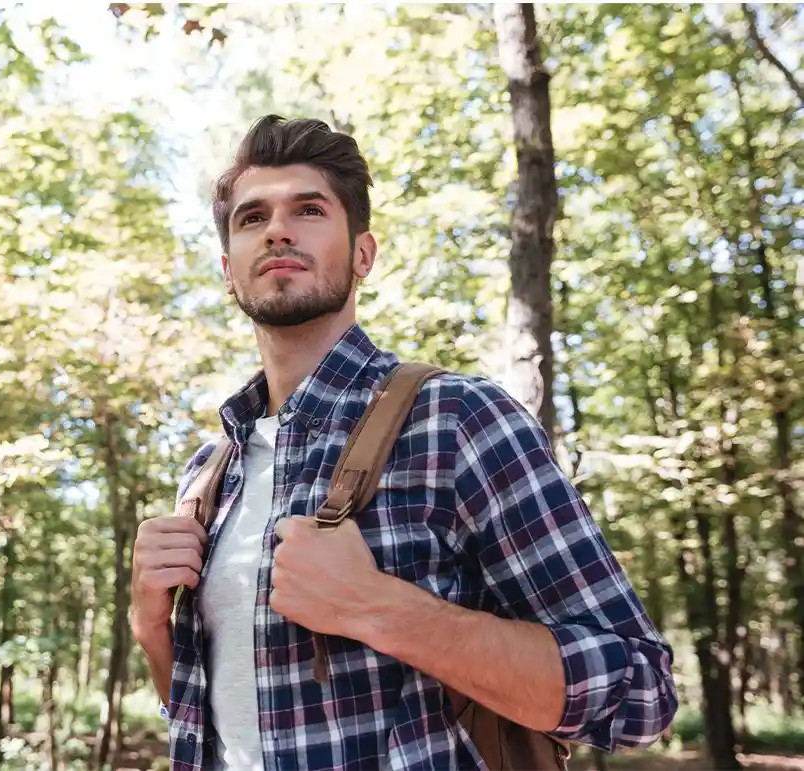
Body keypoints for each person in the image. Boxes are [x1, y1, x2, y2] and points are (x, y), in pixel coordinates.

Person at [130, 114, 677, 771]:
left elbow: (642, 693)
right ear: (228, 269)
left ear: (363, 254)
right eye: (252, 217)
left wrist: (383, 609)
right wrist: (150, 625)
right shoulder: (209, 472)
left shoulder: (456, 419)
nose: (277, 228)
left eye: (309, 209)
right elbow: (210, 721)